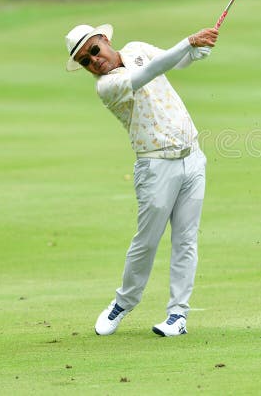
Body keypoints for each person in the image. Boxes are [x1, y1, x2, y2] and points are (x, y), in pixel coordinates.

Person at [63, 22, 218, 337]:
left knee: (186, 240)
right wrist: (188, 41)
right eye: (84, 61)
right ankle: (123, 303)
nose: (93, 61)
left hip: (193, 157)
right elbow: (147, 74)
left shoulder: (137, 49)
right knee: (146, 242)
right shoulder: (107, 86)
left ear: (105, 40)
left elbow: (178, 61)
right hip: (156, 167)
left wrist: (198, 50)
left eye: (94, 50)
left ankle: (177, 315)